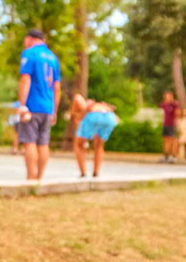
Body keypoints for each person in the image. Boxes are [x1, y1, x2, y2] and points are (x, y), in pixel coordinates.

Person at [15, 29, 61, 181]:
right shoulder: (53, 57)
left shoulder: (29, 54)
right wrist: (54, 110)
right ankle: (39, 178)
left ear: (29, 39)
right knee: (43, 143)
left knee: (30, 142)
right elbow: (57, 87)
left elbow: (25, 79)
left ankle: (31, 178)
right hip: (48, 107)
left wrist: (22, 105)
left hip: (32, 106)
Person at [72, 94, 119, 178]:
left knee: (79, 145)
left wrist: (76, 115)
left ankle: (83, 173)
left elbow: (77, 98)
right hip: (110, 118)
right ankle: (96, 172)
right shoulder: (102, 105)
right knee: (99, 146)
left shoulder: (86, 102)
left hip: (94, 116)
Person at [160, 91, 180, 162]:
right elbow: (163, 113)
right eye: (165, 96)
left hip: (172, 124)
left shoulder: (175, 104)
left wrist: (176, 123)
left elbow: (177, 113)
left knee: (173, 140)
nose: (166, 98)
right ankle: (166, 156)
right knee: (166, 140)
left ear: (172, 97)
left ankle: (173, 156)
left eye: (168, 96)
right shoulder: (164, 104)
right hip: (166, 124)